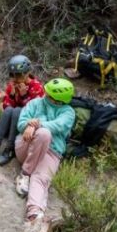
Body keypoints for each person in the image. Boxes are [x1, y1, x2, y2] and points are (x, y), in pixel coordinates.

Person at [14, 78, 77, 222]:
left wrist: (36, 124)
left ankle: (34, 213)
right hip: (26, 147)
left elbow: (58, 126)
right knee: (43, 134)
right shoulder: (35, 103)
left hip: (51, 152)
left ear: (58, 99)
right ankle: (25, 174)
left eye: (49, 95)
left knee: (41, 177)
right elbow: (21, 123)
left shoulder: (68, 112)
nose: (45, 95)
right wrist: (28, 125)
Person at [0, 55, 45, 165]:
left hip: (26, 123)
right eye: (12, 75)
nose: (15, 78)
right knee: (9, 110)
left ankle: (9, 149)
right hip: (12, 122)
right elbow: (6, 107)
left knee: (17, 110)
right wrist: (11, 96)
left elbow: (34, 110)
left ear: (27, 73)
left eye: (19, 75)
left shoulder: (36, 87)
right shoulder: (12, 85)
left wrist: (24, 96)